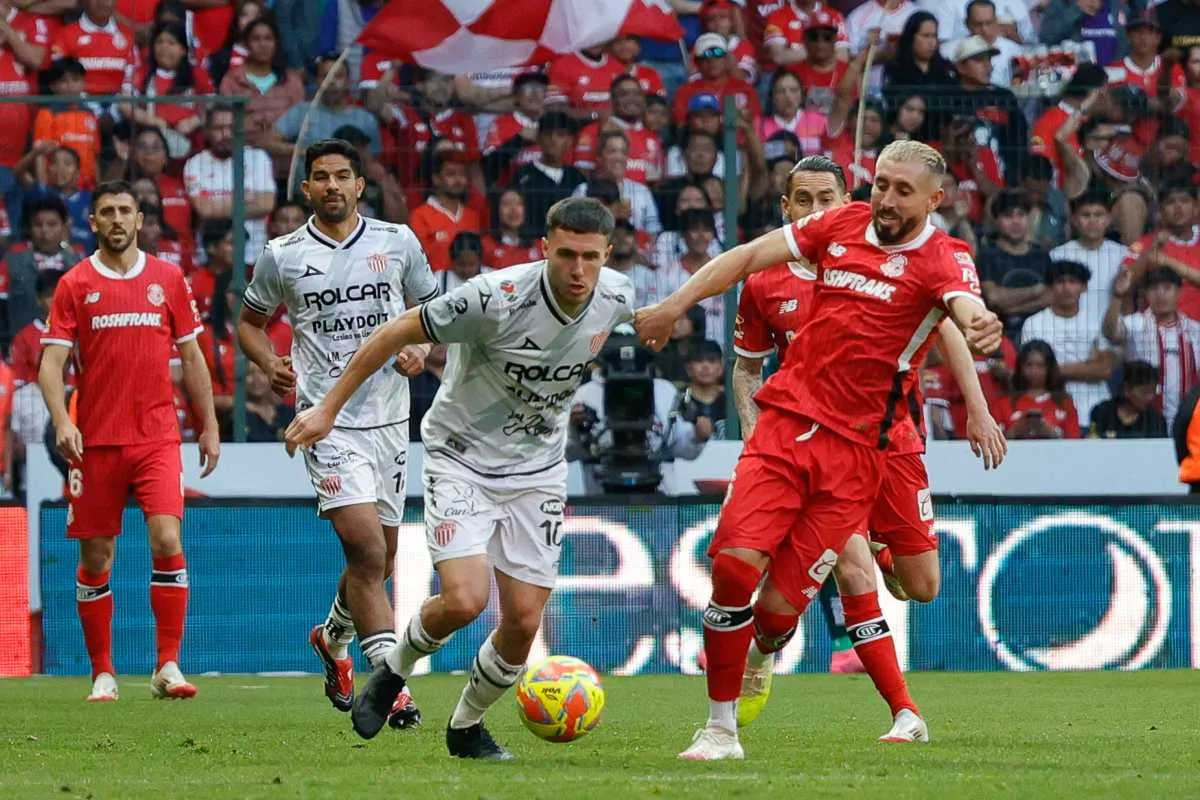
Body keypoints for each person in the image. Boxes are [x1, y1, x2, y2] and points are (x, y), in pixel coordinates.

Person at [633, 141, 1003, 760]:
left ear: (935, 200)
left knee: (781, 613)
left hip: (860, 457)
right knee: (731, 568)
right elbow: (750, 254)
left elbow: (962, 306)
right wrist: (674, 305)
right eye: (880, 183)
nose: (885, 199)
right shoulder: (840, 223)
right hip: (784, 428)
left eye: (902, 191)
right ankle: (719, 729)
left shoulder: (943, 258)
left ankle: (770, 649)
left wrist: (980, 323)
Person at [284, 197, 637, 761]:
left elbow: (658, 314)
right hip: (461, 458)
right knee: (466, 599)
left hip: (539, 471)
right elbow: (398, 329)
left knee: (523, 622)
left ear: (607, 255)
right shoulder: (494, 297)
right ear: (543, 247)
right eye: (566, 254)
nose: (578, 270)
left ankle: (466, 726)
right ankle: (392, 671)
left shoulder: (619, 295)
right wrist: (327, 407)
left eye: (590, 257)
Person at [728, 154, 1004, 732]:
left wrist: (978, 410)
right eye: (802, 200)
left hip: (894, 439)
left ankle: (878, 560)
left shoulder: (882, 257)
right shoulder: (768, 281)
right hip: (816, 441)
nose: (815, 210)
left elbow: (951, 321)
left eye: (826, 198)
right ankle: (904, 712)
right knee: (852, 568)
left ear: (848, 201)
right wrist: (759, 449)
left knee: (918, 585)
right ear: (786, 209)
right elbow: (746, 370)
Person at [236, 139, 439, 726]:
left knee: (382, 559)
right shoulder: (283, 254)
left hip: (390, 419)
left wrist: (420, 350)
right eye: (320, 177)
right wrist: (268, 361)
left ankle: (331, 639)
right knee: (367, 551)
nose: (331, 185)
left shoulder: (397, 241)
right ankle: (390, 685)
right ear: (306, 189)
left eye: (342, 176)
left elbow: (431, 311)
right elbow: (250, 324)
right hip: (325, 421)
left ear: (358, 185)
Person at [38, 179, 221, 702]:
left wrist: (207, 425)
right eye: (107, 213)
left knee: (168, 540)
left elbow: (191, 358)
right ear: (92, 223)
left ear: (140, 219)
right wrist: (61, 420)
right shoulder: (74, 284)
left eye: (125, 211)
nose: (117, 220)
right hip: (94, 441)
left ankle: (168, 665)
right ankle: (103, 671)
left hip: (157, 437)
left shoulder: (168, 278)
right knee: (98, 557)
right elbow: (51, 364)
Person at [1103, 267, 1200, 430]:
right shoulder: (1136, 323)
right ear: (1146, 294)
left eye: (1167, 288)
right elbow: (1111, 333)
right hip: (1144, 421)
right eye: (1154, 288)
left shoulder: (1195, 330)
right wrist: (1118, 296)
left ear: (1179, 292)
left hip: (1188, 420)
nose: (1160, 295)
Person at [996, 339, 1081, 439]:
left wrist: (1050, 432)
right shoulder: (1003, 403)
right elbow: (994, 443)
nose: (1034, 371)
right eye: (1029, 365)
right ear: (1020, 367)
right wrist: (1018, 430)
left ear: (1049, 368)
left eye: (1040, 366)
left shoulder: (1064, 403)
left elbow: (1074, 442)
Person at [1088, 361, 1168, 438]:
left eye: (1153, 391)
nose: (1150, 397)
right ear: (1126, 389)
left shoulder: (1156, 421)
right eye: (1144, 392)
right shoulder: (1101, 412)